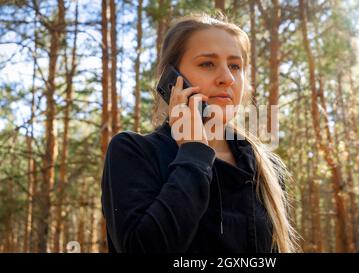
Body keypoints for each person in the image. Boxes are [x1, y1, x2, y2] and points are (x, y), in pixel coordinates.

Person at [101, 13, 299, 253]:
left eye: (235, 66)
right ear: (172, 79)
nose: (227, 78)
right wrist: (194, 153)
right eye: (207, 63)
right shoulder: (133, 152)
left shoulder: (266, 167)